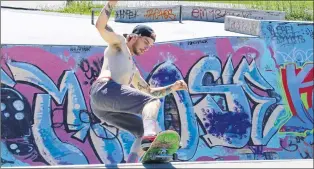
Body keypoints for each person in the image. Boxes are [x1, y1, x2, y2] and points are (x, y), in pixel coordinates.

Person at [89, 0, 188, 163]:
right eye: (145, 43)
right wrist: (111, 4)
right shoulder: (119, 44)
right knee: (152, 104)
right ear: (134, 37)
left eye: (149, 46)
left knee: (141, 129)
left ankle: (132, 163)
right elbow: (100, 26)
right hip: (105, 89)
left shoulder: (132, 69)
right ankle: (150, 136)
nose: (146, 48)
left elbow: (148, 91)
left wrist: (173, 87)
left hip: (102, 108)